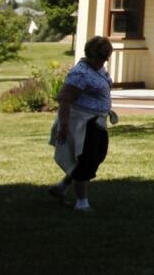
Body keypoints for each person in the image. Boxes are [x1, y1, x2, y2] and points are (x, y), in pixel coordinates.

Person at [48, 36, 118, 212]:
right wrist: (63, 126)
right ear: (91, 55)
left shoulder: (97, 69)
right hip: (83, 123)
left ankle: (61, 186)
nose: (103, 61)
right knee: (86, 159)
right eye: (101, 57)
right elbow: (65, 99)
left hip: (96, 121)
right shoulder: (80, 73)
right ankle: (82, 203)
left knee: (97, 156)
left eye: (105, 58)